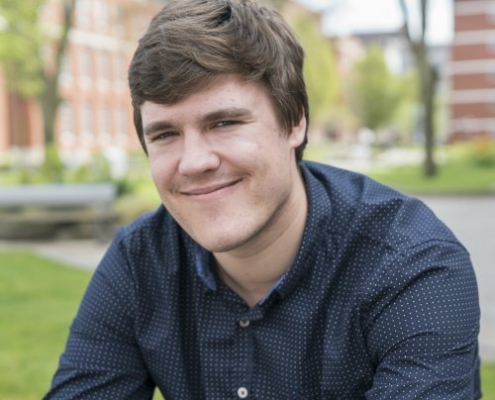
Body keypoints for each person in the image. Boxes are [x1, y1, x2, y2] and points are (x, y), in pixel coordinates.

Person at [45, 0, 481, 398]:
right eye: (165, 134)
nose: (193, 162)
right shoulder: (141, 261)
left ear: (295, 123)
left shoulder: (411, 265)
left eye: (224, 123)